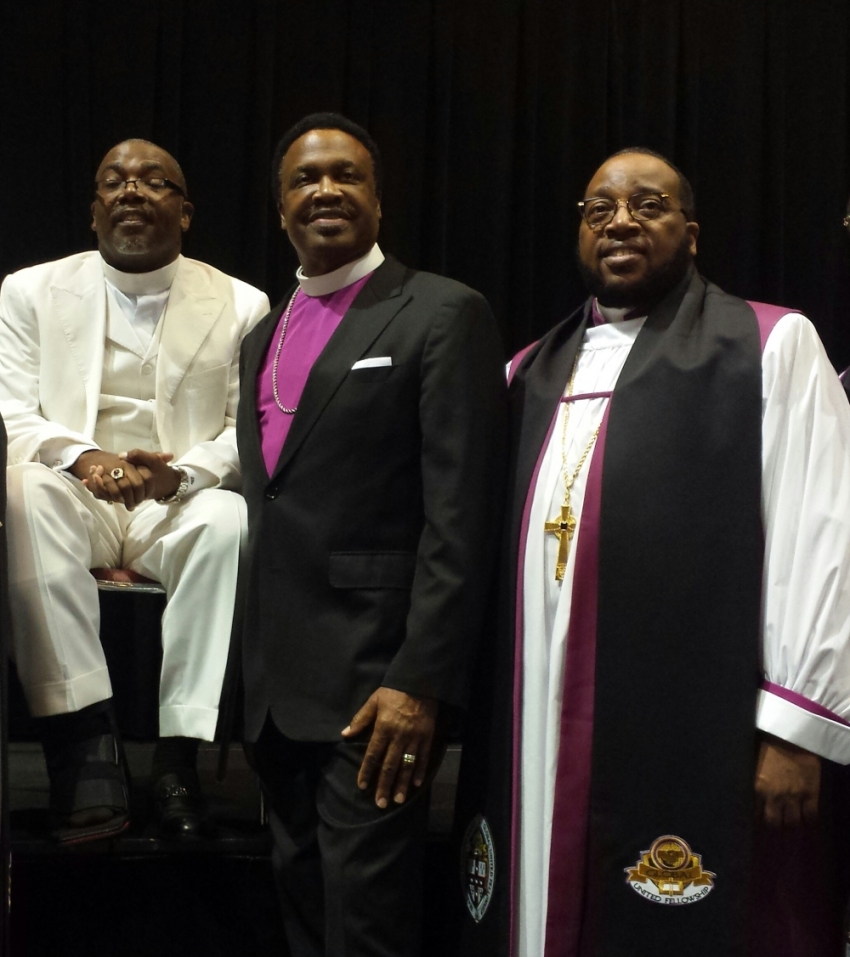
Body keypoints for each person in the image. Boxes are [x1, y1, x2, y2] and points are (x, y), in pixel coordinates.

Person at [454, 149, 850, 957]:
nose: (621, 221)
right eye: (599, 209)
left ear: (692, 232)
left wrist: (796, 725)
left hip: (711, 722)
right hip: (536, 706)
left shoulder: (768, 344)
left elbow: (822, 532)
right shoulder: (526, 370)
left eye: (649, 205)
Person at [236, 112, 506, 956]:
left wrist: (420, 681)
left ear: (379, 203)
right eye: (304, 179)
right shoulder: (259, 337)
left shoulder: (440, 311)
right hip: (278, 697)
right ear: (280, 209)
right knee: (307, 916)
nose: (325, 190)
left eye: (346, 175)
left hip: (377, 691)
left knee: (369, 928)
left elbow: (460, 517)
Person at [0, 139, 269, 842]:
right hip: (73, 492)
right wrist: (85, 456)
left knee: (228, 519)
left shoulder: (242, 303)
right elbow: (14, 413)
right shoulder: (28, 290)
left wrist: (178, 473)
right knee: (20, 486)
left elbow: (247, 432)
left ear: (185, 211)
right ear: (93, 212)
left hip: (174, 498)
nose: (132, 191)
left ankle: (178, 752)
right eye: (114, 181)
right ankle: (83, 738)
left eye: (155, 181)